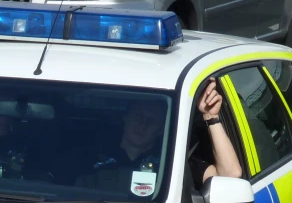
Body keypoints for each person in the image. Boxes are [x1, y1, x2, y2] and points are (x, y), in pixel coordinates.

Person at [80, 78, 243, 191]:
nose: (143, 125)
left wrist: (211, 117)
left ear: (161, 129)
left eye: (152, 120)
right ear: (126, 118)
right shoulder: (92, 152)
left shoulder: (173, 161)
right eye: (138, 116)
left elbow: (230, 175)